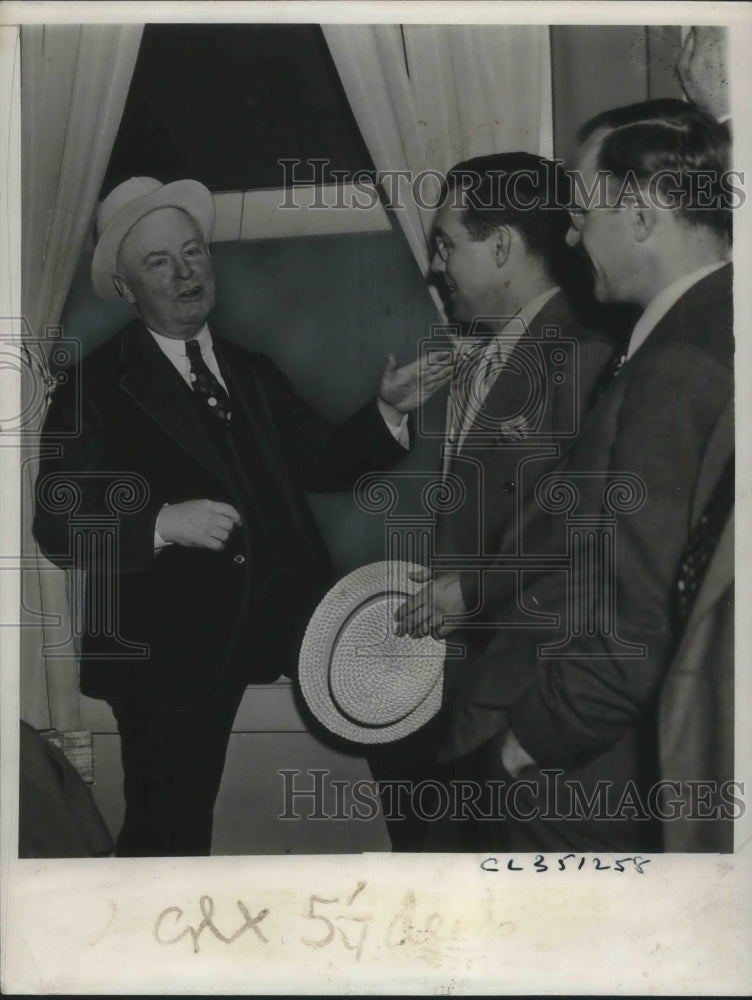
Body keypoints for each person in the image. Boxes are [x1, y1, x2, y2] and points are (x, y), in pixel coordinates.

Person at [33, 176, 451, 857]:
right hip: (170, 653)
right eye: (159, 263)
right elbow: (55, 526)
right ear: (127, 287)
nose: (185, 273)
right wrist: (162, 524)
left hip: (292, 614)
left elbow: (322, 461)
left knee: (407, 726)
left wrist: (387, 411)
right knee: (167, 842)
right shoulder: (93, 386)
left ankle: (438, 885)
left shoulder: (251, 371)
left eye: (193, 252)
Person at [434, 99, 733, 852]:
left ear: (641, 217)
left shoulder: (678, 361)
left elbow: (638, 618)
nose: (570, 235)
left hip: (572, 771)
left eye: (584, 214)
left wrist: (525, 746)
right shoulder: (700, 329)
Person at [376, 153, 614, 850]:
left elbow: (590, 531)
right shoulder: (495, 352)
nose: (437, 267)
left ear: (503, 245)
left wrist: (472, 591)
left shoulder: (583, 355)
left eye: (447, 244)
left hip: (529, 699)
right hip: (481, 682)